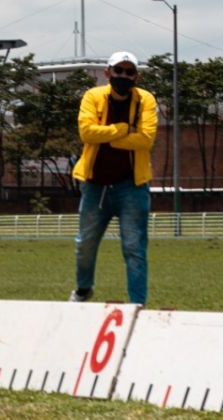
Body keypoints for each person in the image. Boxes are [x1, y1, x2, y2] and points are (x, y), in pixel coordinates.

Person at [69, 51, 158, 305]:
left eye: (129, 72)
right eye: (118, 70)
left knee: (134, 248)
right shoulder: (92, 96)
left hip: (132, 186)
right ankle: (83, 290)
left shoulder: (146, 100)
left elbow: (145, 139)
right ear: (107, 73)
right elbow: (86, 133)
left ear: (136, 76)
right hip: (95, 184)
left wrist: (106, 135)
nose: (123, 76)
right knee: (84, 244)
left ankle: (137, 304)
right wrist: (122, 130)